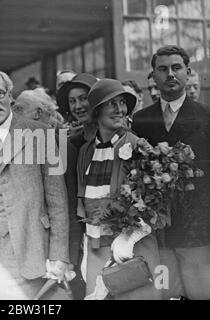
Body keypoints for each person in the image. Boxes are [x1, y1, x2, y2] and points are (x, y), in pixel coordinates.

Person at [0, 69, 70, 300]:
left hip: (29, 250)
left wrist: (59, 256)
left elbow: (57, 201)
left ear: (10, 96)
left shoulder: (40, 133)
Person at [132, 45, 210, 300]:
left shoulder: (205, 116)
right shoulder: (141, 120)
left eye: (177, 68)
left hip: (197, 223)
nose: (171, 74)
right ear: (153, 76)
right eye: (163, 69)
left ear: (188, 72)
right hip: (158, 225)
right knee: (166, 291)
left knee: (200, 290)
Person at [77, 78, 162, 300]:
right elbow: (84, 205)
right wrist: (87, 250)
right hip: (96, 251)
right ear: (96, 111)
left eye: (122, 102)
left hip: (132, 252)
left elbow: (158, 203)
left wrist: (129, 237)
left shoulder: (138, 146)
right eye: (111, 104)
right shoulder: (86, 152)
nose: (119, 109)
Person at [13, 89, 84, 299]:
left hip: (56, 259)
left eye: (18, 109)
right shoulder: (12, 144)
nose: (12, 114)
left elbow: (69, 207)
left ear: (37, 114)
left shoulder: (62, 147)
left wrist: (67, 258)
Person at [56, 73, 98, 148]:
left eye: (83, 98)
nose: (77, 106)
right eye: (72, 101)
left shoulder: (114, 135)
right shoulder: (70, 140)